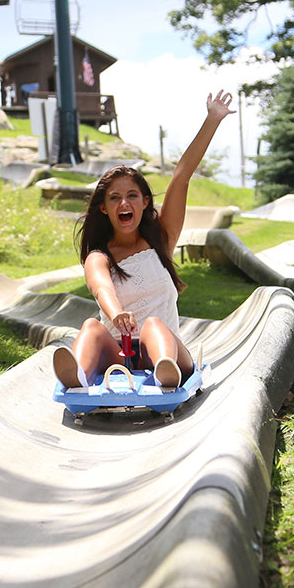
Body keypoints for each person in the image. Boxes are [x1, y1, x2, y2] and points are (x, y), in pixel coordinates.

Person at [53, 89, 235, 389]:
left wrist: (212, 119)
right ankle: (78, 376)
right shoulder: (99, 256)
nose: (124, 204)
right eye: (115, 198)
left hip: (166, 348)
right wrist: (116, 313)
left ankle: (166, 369)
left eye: (132, 196)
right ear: (104, 207)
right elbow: (101, 288)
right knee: (91, 326)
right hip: (119, 355)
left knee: (153, 325)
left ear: (145, 202)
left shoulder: (160, 241)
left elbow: (181, 175)